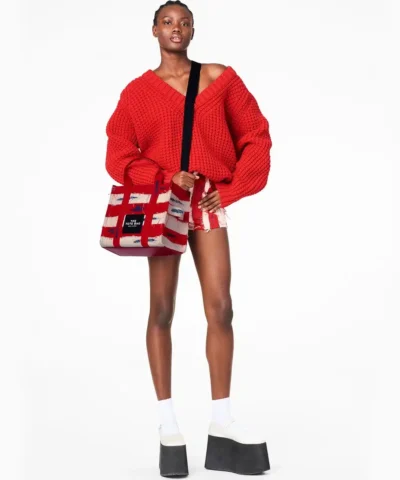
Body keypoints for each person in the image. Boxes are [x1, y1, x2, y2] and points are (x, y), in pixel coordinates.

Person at [104, 1, 272, 476]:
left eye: (183, 22)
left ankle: (222, 421)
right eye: (167, 22)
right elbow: (118, 153)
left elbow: (257, 136)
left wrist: (231, 189)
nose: (175, 28)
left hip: (207, 202)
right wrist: (161, 177)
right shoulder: (137, 93)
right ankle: (167, 424)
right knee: (161, 310)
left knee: (221, 308)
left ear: (193, 30)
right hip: (164, 205)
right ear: (154, 30)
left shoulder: (220, 79)